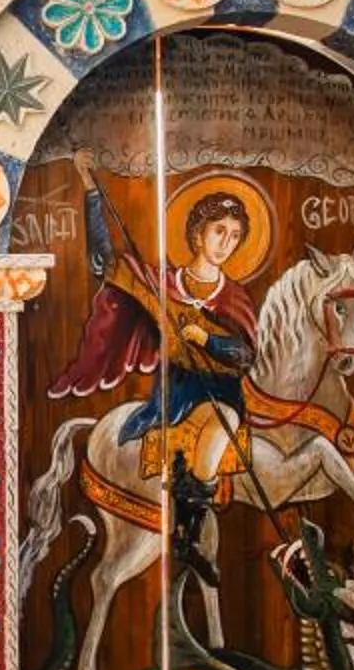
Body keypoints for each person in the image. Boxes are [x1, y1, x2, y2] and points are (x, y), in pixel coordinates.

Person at [49, 180, 264, 498]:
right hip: (177, 394)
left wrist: (207, 339)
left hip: (222, 393)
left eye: (235, 236)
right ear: (198, 234)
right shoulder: (160, 286)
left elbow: (245, 355)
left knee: (226, 418)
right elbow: (105, 263)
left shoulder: (234, 297)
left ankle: (194, 504)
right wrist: (93, 195)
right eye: (219, 231)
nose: (226, 243)